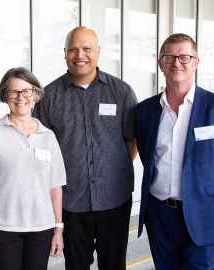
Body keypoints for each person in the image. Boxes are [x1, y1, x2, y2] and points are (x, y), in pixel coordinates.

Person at [134, 33, 214, 270]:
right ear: (161, 63)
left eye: (184, 57)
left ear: (196, 62)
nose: (176, 63)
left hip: (202, 212)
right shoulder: (145, 111)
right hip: (160, 214)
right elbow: (148, 156)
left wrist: (204, 191)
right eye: (170, 57)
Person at [34, 26, 137, 270]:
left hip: (114, 199)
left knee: (113, 265)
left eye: (87, 49)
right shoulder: (48, 96)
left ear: (98, 52)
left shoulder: (121, 92)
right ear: (65, 53)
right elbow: (42, 151)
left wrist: (108, 175)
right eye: (73, 49)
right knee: (76, 265)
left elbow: (131, 141)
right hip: (70, 203)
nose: (80, 55)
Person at [0, 67, 66, 270]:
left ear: (35, 94)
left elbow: (55, 187)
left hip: (41, 229)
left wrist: (58, 229)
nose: (20, 96)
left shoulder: (48, 136)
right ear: (5, 96)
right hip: (2, 229)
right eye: (13, 91)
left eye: (26, 91)